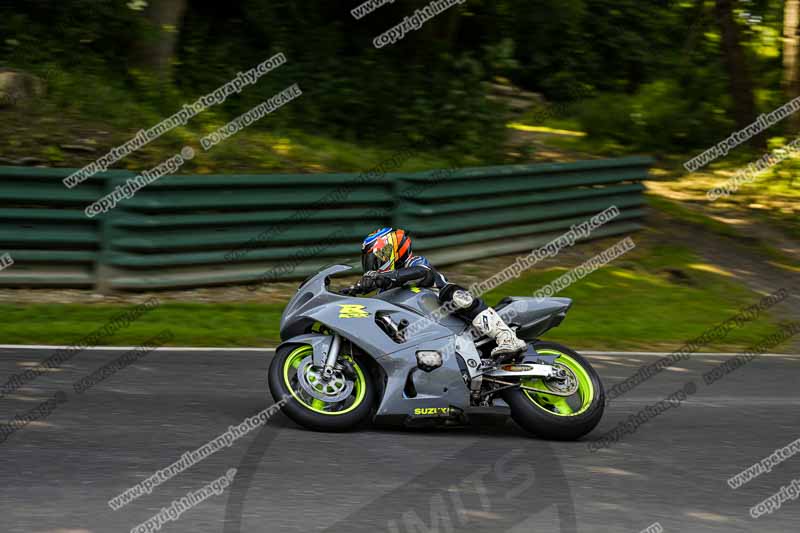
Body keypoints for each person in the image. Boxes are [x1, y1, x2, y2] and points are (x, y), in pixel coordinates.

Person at [354, 227, 526, 357]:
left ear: (394, 251)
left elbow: (422, 273)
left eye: (379, 257)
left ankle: (506, 336)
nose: (375, 263)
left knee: (452, 294)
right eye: (371, 259)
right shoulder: (384, 291)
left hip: (448, 312)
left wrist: (385, 276)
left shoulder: (414, 262)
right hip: (427, 334)